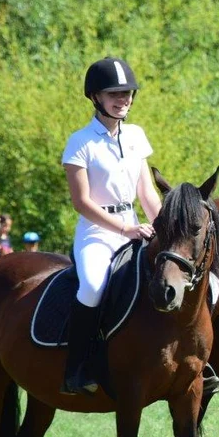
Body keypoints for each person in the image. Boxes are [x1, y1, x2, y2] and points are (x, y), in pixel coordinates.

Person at [59, 57, 161, 394]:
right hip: (97, 231)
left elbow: (146, 192)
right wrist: (124, 229)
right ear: (95, 97)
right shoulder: (80, 142)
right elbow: (81, 202)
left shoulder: (135, 136)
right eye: (115, 93)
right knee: (92, 285)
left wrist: (163, 227)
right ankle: (77, 367)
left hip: (136, 224)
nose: (124, 99)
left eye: (128, 93)